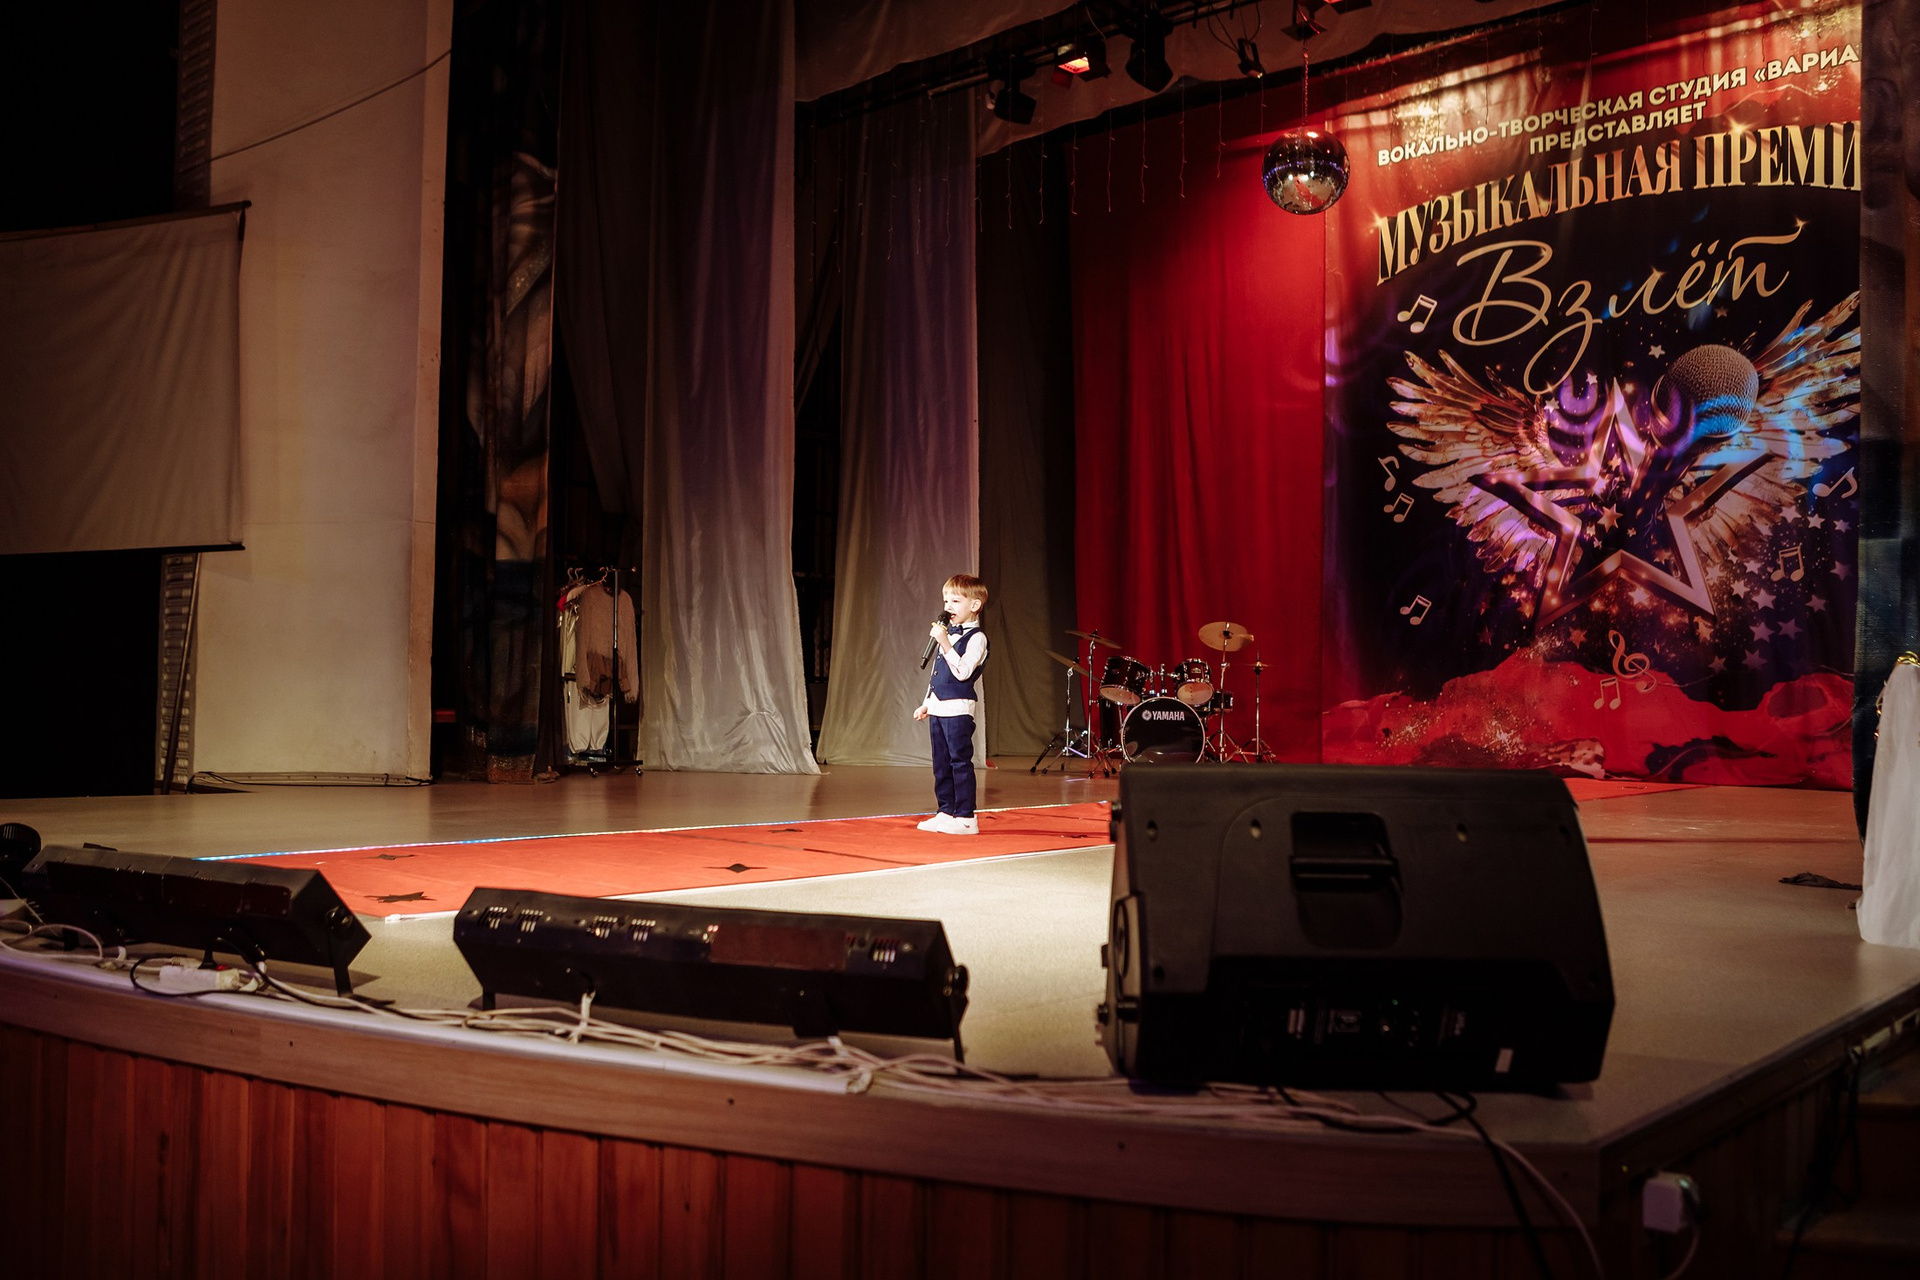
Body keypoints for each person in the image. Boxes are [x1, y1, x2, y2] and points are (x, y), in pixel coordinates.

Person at [914, 574, 989, 835]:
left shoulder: (977, 638)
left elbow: (963, 672)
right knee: (941, 764)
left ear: (975, 605)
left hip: (958, 708)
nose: (948, 606)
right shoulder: (948, 635)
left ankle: (966, 817)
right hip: (939, 707)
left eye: (956, 601)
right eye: (946, 601)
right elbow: (937, 673)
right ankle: (946, 811)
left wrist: (945, 643)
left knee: (959, 762)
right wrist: (927, 703)